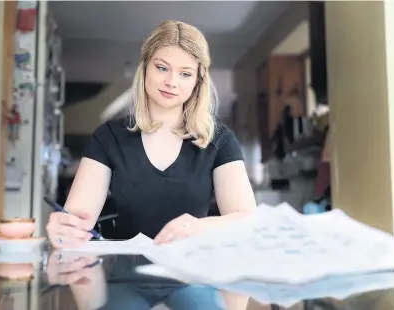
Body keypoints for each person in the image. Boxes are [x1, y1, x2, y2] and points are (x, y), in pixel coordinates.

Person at [45, 20, 255, 309]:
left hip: (193, 272)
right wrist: (64, 229)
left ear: (198, 81)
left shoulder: (219, 140)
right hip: (125, 277)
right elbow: (77, 222)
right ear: (144, 68)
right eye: (162, 68)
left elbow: (248, 221)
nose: (171, 82)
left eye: (185, 74)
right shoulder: (109, 137)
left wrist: (201, 227)